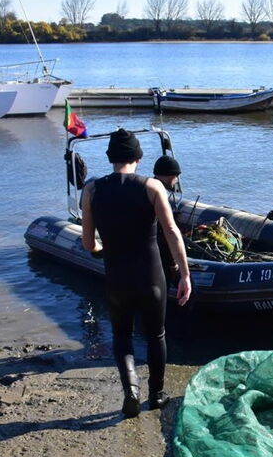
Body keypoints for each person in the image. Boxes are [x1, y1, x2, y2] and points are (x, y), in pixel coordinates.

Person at [81, 129, 192, 418]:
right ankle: (156, 395)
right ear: (139, 158)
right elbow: (171, 232)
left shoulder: (91, 190)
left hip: (117, 276)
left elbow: (88, 243)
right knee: (156, 335)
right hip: (151, 275)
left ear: (109, 158)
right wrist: (184, 274)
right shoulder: (152, 187)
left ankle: (131, 389)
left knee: (122, 335)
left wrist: (103, 250)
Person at [153, 155, 182, 287]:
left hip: (146, 256)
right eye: (176, 177)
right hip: (161, 257)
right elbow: (167, 232)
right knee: (191, 293)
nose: (176, 181)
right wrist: (175, 263)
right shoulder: (161, 196)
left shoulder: (146, 188)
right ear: (171, 176)